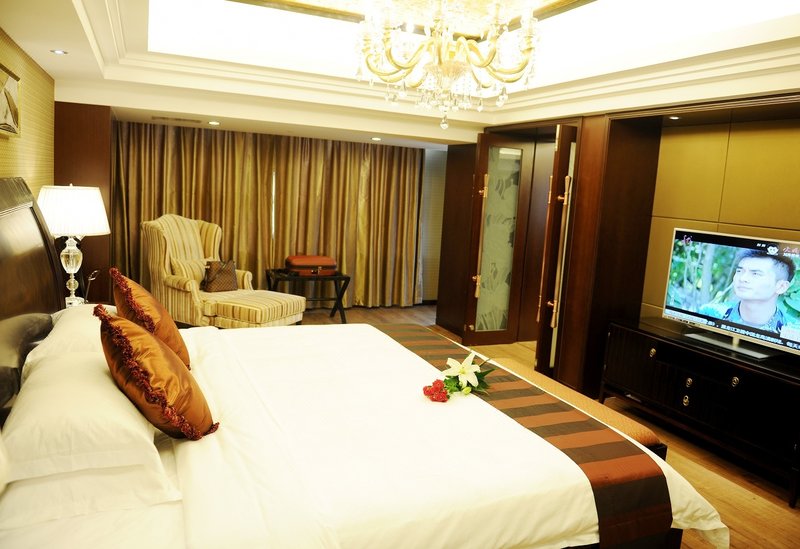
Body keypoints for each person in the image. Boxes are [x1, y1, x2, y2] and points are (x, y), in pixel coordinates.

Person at [702, 249, 795, 334]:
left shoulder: (793, 331)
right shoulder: (711, 313)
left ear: (781, 287)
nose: (743, 278)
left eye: (755, 274)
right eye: (739, 271)